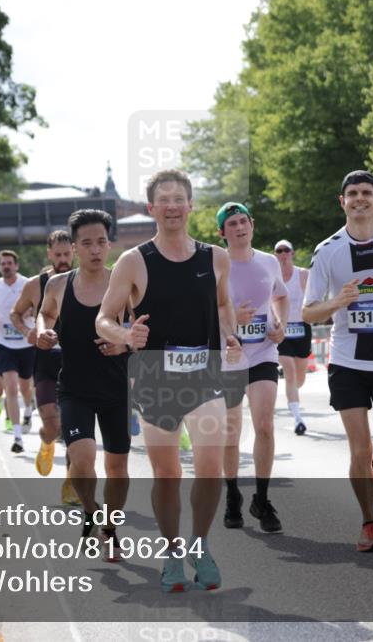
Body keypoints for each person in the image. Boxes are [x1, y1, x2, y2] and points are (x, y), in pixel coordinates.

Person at [96, 168, 241, 592]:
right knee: (168, 474)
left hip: (205, 376)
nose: (174, 206)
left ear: (191, 205)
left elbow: (224, 303)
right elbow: (103, 318)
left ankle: (201, 543)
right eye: (166, 200)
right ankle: (173, 550)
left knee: (210, 468)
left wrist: (230, 334)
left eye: (181, 198)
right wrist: (125, 334)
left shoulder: (216, 257)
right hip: (155, 379)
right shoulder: (133, 261)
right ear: (152, 208)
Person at [302, 170, 373, 552]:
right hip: (347, 360)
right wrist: (338, 302)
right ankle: (369, 522)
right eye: (352, 193)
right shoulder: (328, 250)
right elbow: (307, 313)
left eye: (366, 192)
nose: (359, 199)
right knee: (358, 448)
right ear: (342, 202)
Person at [37, 210, 130, 559]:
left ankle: (109, 526)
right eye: (87, 243)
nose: (95, 249)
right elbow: (45, 312)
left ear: (109, 244)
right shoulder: (59, 285)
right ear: (74, 247)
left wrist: (124, 343)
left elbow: (145, 329)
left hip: (116, 388)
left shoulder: (124, 284)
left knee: (117, 469)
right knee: (82, 459)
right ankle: (91, 510)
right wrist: (44, 329)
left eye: (101, 242)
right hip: (74, 387)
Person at [217, 203, 288, 533]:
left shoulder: (269, 261)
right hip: (228, 356)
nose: (240, 227)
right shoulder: (216, 264)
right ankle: (232, 494)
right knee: (232, 430)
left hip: (262, 351)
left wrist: (281, 325)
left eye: (244, 221)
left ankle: (262, 497)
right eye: (232, 223)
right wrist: (233, 319)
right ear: (223, 232)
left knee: (265, 424)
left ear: (252, 225)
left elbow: (281, 298)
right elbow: (205, 310)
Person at [10, 231, 74, 477]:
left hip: (75, 362)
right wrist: (27, 331)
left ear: (74, 252)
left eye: (67, 254)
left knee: (72, 427)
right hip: (45, 362)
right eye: (57, 254)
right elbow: (16, 313)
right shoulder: (35, 285)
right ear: (49, 253)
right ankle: (47, 443)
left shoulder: (84, 280)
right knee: (52, 423)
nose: (63, 259)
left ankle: (73, 482)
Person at [0, 250, 35, 453]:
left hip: (26, 342)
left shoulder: (27, 284)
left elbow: (38, 304)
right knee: (11, 388)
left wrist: (30, 311)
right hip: (4, 343)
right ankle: (17, 437)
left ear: (16, 266)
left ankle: (29, 409)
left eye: (10, 263)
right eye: (3, 263)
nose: (6, 266)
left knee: (25, 388)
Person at [274, 239, 312, 436]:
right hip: (282, 330)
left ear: (292, 253)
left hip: (302, 328)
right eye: (279, 251)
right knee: (289, 371)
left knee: (299, 378)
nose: (282, 254)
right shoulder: (272, 276)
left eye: (286, 250)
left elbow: (314, 297)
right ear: (275, 255)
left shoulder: (303, 274)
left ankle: (292, 393)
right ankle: (298, 418)